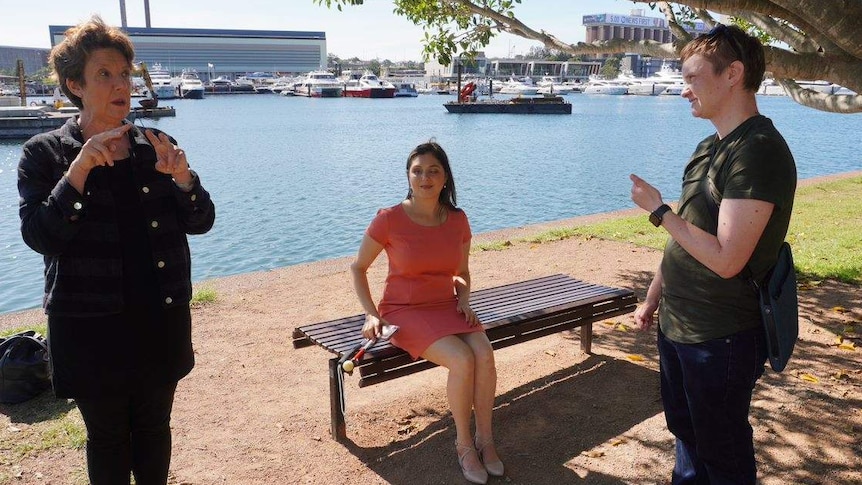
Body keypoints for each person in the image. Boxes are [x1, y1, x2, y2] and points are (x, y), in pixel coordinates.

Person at [17, 16, 215, 484]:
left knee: (154, 428)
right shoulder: (45, 154)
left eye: (124, 73)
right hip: (89, 329)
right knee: (106, 438)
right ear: (74, 84)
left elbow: (201, 221)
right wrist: (78, 172)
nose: (120, 84)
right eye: (104, 74)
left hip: (159, 318)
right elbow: (40, 236)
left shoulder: (155, 145)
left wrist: (184, 180)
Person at [629, 24, 796, 485]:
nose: (684, 90)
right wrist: (652, 298)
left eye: (692, 77)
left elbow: (726, 259)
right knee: (686, 435)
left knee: (721, 451)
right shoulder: (710, 147)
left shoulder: (758, 151)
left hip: (721, 336)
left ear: (733, 74)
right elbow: (689, 232)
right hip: (679, 326)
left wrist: (659, 210)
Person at [351, 142, 502, 484]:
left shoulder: (458, 220)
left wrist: (464, 296)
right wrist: (371, 314)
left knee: (484, 353)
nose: (425, 177)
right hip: (403, 311)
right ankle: (464, 444)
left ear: (445, 177)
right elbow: (358, 268)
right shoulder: (389, 219)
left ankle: (486, 439)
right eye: (417, 170)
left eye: (433, 170)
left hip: (446, 306)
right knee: (463, 359)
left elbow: (462, 271)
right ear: (408, 176)